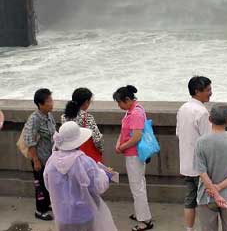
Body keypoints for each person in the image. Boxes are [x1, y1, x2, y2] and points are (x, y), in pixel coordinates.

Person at [43, 121, 117, 231]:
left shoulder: (51, 162)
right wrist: (106, 175)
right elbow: (98, 187)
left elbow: (48, 185)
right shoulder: (85, 162)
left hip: (62, 214)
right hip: (84, 214)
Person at [194, 104, 227, 231]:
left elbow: (201, 171)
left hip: (206, 195)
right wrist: (219, 187)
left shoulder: (201, 142)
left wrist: (214, 191)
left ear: (210, 119)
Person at [113, 85, 154, 231]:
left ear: (128, 100)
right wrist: (120, 143)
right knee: (139, 185)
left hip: (134, 155)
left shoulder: (135, 113)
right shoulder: (134, 110)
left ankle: (144, 220)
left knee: (137, 187)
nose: (119, 106)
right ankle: (142, 214)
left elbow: (136, 137)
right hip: (133, 153)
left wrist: (121, 147)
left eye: (119, 102)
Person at [177, 76, 213, 231]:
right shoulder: (202, 112)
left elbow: (179, 133)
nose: (211, 93)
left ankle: (189, 229)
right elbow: (208, 140)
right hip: (200, 167)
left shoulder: (182, 108)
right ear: (197, 91)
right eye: (208, 90)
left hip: (186, 163)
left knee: (189, 200)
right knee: (206, 202)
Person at [23, 88, 56, 221]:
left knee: (48, 183)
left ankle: (46, 205)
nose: (52, 103)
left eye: (51, 99)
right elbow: (29, 140)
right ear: (40, 104)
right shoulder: (35, 119)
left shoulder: (49, 115)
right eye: (48, 101)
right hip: (40, 159)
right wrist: (35, 160)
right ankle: (39, 211)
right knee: (40, 185)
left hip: (49, 158)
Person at [61, 88, 104, 162]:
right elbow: (97, 139)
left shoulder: (64, 117)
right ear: (86, 102)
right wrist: (100, 150)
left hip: (69, 155)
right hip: (86, 157)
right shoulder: (87, 117)